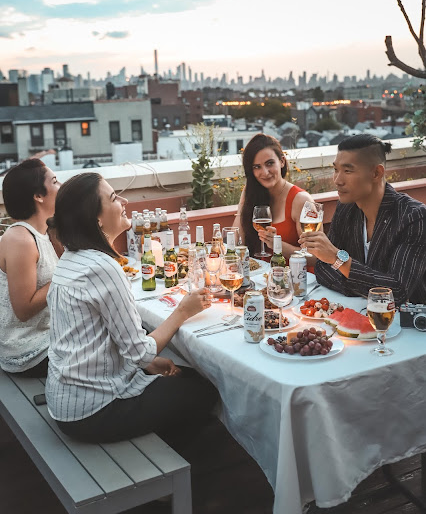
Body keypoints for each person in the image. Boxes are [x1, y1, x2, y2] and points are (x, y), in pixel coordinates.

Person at [45, 172, 218, 444]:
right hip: (93, 410)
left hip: (65, 398)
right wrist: (183, 311)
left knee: (183, 375)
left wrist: (149, 362)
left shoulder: (71, 256)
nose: (124, 200)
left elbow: (119, 346)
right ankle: (171, 467)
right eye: (114, 197)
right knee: (205, 390)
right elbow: (138, 352)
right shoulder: (103, 267)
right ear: (96, 219)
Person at [300, 134, 426, 305]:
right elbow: (323, 268)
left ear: (376, 173)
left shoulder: (413, 217)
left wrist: (338, 259)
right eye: (336, 169)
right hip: (358, 314)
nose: (337, 180)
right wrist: (361, 283)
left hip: (406, 325)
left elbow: (396, 291)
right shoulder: (346, 208)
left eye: (347, 171)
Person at [0, 159, 60, 376]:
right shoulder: (20, 239)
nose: (60, 186)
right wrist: (64, 275)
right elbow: (23, 310)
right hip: (27, 353)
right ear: (38, 196)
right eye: (55, 181)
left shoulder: (41, 234)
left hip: (49, 338)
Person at [236, 133, 315, 261]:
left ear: (282, 161)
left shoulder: (302, 201)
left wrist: (277, 245)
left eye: (269, 163)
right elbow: (237, 243)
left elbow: (315, 256)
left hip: (297, 278)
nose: (265, 172)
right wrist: (244, 202)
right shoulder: (253, 195)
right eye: (257, 167)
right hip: (262, 277)